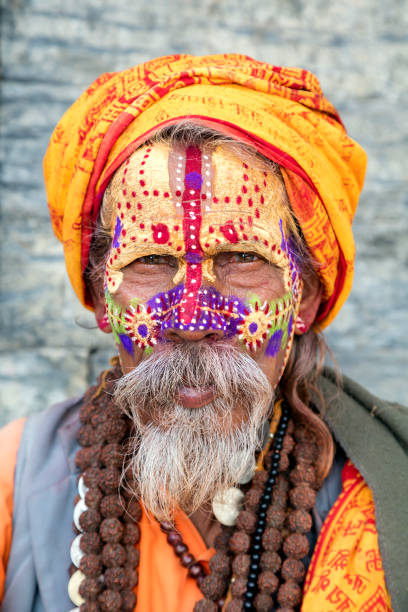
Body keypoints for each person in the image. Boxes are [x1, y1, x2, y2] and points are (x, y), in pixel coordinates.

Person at [0, 54, 406, 612]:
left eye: (242, 257)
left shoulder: (386, 493)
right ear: (100, 296)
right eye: (150, 261)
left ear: (306, 298)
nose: (191, 321)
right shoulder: (16, 479)